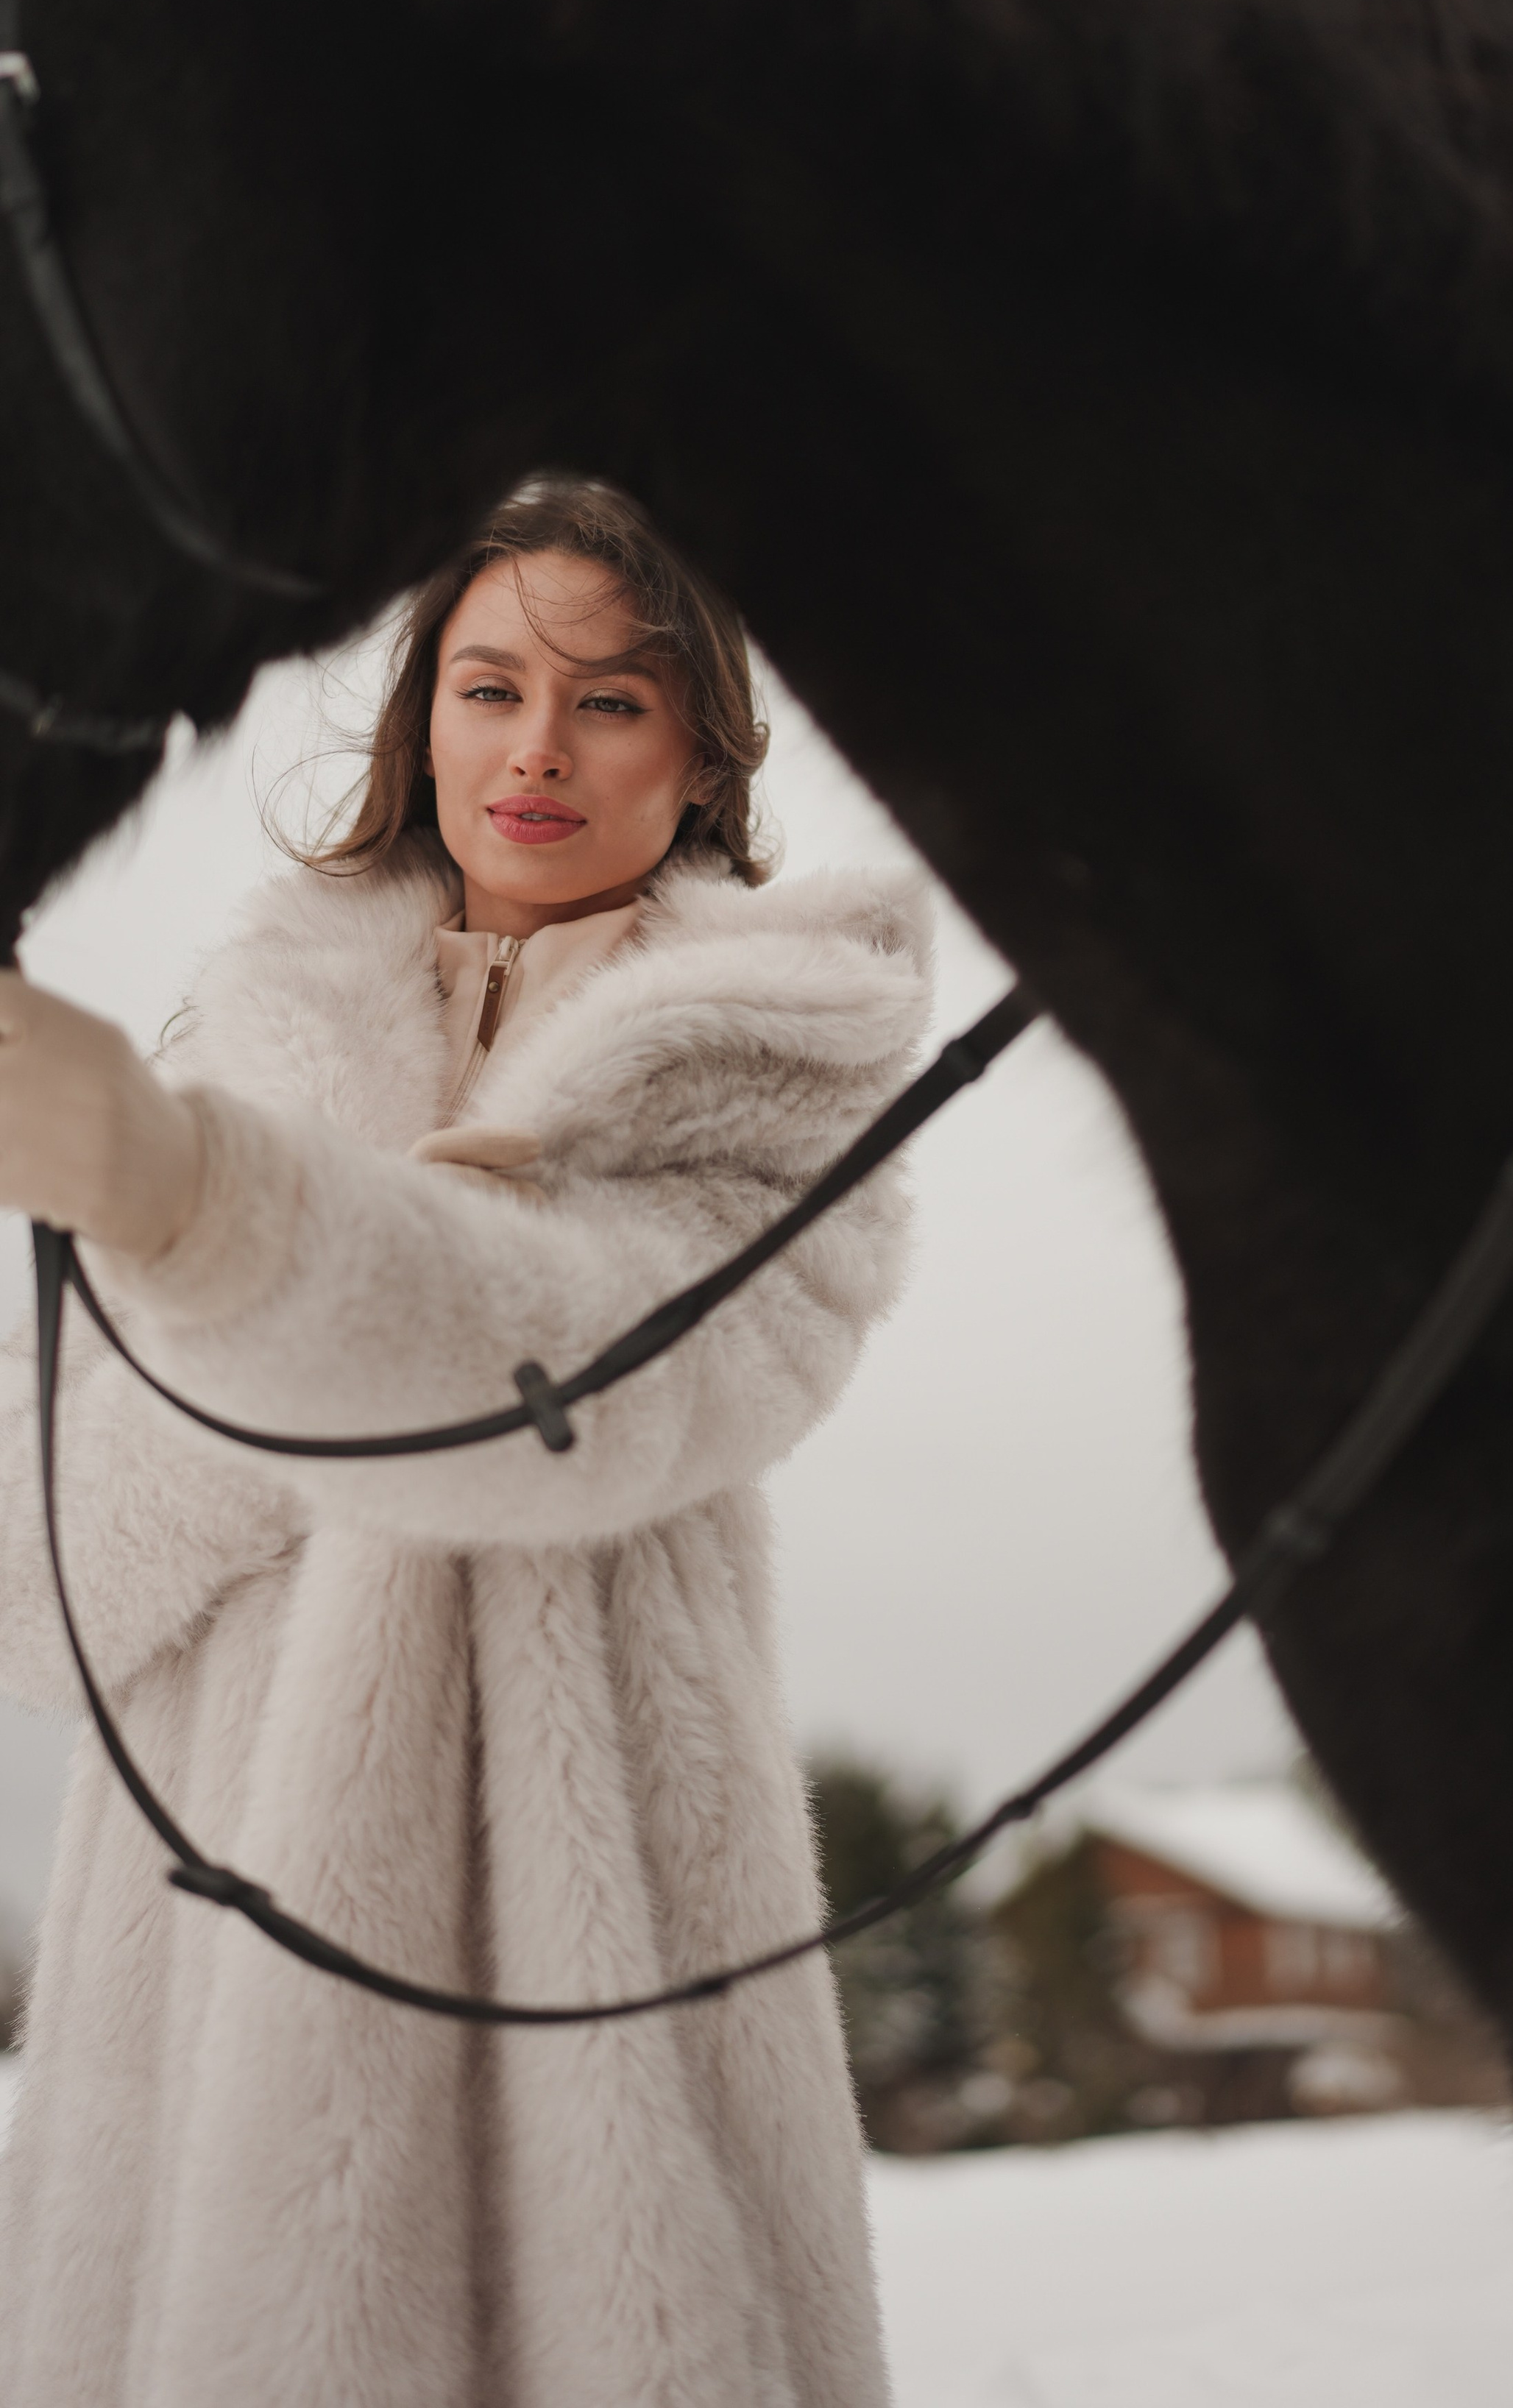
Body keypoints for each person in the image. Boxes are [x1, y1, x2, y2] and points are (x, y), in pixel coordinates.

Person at [0, 475, 929, 2408]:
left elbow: (582, 1392)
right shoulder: (238, 1042)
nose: (534, 747)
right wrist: (242, 1216)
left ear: (706, 756)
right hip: (206, 1975)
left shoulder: (783, 1082)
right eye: (489, 684)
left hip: (581, 2003)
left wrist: (219, 1227)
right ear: (419, 713)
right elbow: (51, 1574)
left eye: (611, 698)